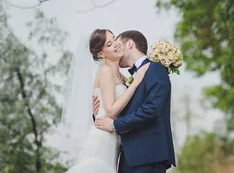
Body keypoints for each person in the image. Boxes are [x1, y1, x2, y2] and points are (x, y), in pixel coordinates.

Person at [61, 29, 148, 173]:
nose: (116, 44)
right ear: (101, 54)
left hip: (112, 141)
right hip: (101, 140)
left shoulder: (118, 74)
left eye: (114, 39)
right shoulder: (106, 71)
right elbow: (111, 111)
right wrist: (135, 83)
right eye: (109, 44)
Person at [94, 30, 176, 173]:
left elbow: (152, 109)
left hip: (149, 155)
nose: (116, 47)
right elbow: (119, 108)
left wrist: (114, 124)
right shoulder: (125, 78)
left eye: (117, 43)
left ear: (130, 44)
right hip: (126, 156)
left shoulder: (155, 69)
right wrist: (98, 114)